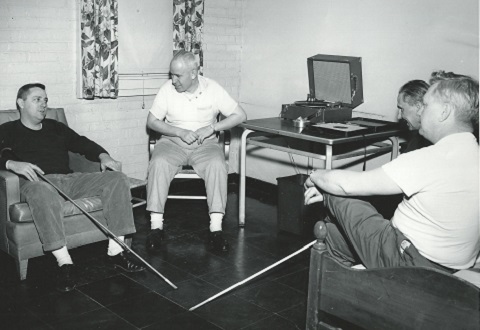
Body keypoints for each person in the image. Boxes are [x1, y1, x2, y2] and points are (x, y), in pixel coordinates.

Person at [304, 76, 479, 272]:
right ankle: (343, 284)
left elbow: (345, 185)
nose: (422, 113)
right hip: (449, 265)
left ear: (444, 112)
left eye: (426, 105)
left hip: (407, 260)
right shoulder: (473, 154)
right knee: (334, 234)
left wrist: (315, 177)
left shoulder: (431, 158)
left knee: (337, 193)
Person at [0, 83, 145, 293]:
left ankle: (116, 251)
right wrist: (11, 164)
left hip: (69, 180)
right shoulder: (8, 130)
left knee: (117, 179)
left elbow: (81, 143)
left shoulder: (55, 126)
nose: (43, 104)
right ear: (21, 103)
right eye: (37, 99)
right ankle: (64, 263)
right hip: (37, 183)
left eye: (46, 100)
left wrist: (103, 155)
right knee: (43, 190)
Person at [146, 50, 247, 253]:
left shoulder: (213, 88)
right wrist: (179, 131)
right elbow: (152, 121)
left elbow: (240, 115)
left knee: (218, 165)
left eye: (177, 75)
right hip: (172, 143)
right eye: (171, 74)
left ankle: (216, 230)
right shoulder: (167, 89)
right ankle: (156, 227)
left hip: (205, 144)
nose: (173, 80)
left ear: (193, 73)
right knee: (158, 163)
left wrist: (212, 128)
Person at [396, 80, 432, 153]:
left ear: (418, 107)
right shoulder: (419, 137)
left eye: (402, 109)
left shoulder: (434, 140)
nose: (399, 117)